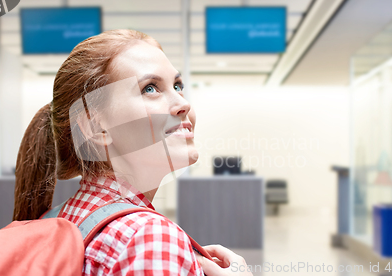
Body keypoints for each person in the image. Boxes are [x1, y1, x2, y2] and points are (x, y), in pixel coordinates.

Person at [13, 29, 252, 276]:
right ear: (96, 127)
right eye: (150, 88)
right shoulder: (151, 238)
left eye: (177, 86)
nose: (184, 104)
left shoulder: (56, 218)